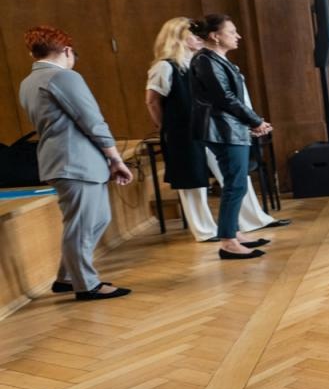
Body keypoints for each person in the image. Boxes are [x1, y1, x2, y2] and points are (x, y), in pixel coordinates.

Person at [19, 25, 135, 298]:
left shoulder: (28, 82)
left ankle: (67, 277)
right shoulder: (64, 77)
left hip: (62, 160)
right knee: (82, 225)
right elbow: (92, 121)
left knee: (96, 219)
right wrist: (115, 158)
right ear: (67, 51)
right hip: (75, 162)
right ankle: (86, 285)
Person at [190, 14, 273, 261]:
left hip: (229, 127)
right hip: (221, 129)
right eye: (232, 31)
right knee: (235, 183)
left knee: (235, 182)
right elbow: (224, 98)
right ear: (215, 36)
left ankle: (233, 232)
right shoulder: (205, 60)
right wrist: (255, 121)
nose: (238, 36)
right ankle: (228, 241)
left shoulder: (214, 59)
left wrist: (249, 123)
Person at [145, 18, 215, 241]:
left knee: (208, 177)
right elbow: (152, 101)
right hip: (181, 131)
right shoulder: (165, 66)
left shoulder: (195, 63)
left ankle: (217, 226)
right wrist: (165, 126)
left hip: (204, 129)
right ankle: (203, 230)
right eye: (193, 34)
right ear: (178, 37)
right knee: (191, 180)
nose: (200, 38)